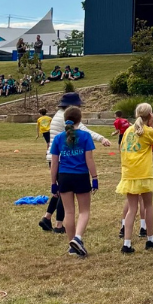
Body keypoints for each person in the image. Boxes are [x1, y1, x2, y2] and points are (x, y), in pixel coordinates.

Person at [48, 106, 98, 257]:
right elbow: (89, 159)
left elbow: (54, 163)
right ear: (80, 119)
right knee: (84, 211)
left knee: (69, 212)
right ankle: (77, 238)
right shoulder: (85, 136)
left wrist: (53, 183)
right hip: (81, 176)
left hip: (64, 177)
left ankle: (72, 246)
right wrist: (95, 178)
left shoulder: (58, 138)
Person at [117, 103, 153, 253]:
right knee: (148, 206)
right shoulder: (148, 131)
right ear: (150, 115)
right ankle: (150, 238)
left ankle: (127, 244)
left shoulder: (128, 131)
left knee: (132, 209)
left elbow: (121, 148)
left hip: (129, 173)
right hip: (143, 173)